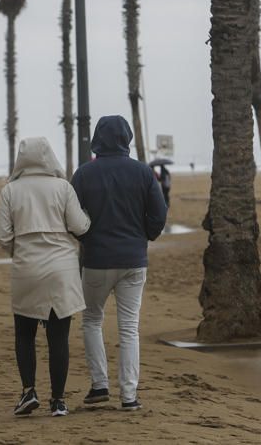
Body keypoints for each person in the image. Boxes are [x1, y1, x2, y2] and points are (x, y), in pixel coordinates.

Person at [71, 115, 167, 411]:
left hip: (97, 260)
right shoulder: (142, 172)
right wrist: (146, 235)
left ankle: (100, 385)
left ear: (98, 139)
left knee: (91, 320)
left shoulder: (84, 174)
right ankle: (129, 396)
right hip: (133, 260)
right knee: (129, 327)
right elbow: (159, 213)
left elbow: (72, 216)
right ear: (127, 139)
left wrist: (86, 236)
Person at [0, 137, 90, 417]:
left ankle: (28, 392)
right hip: (61, 268)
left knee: (24, 333)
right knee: (58, 337)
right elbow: (79, 226)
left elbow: (1, 235)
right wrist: (87, 219)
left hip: (27, 268)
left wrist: (18, 245)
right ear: (49, 157)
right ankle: (58, 400)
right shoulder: (63, 187)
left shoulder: (10, 190)